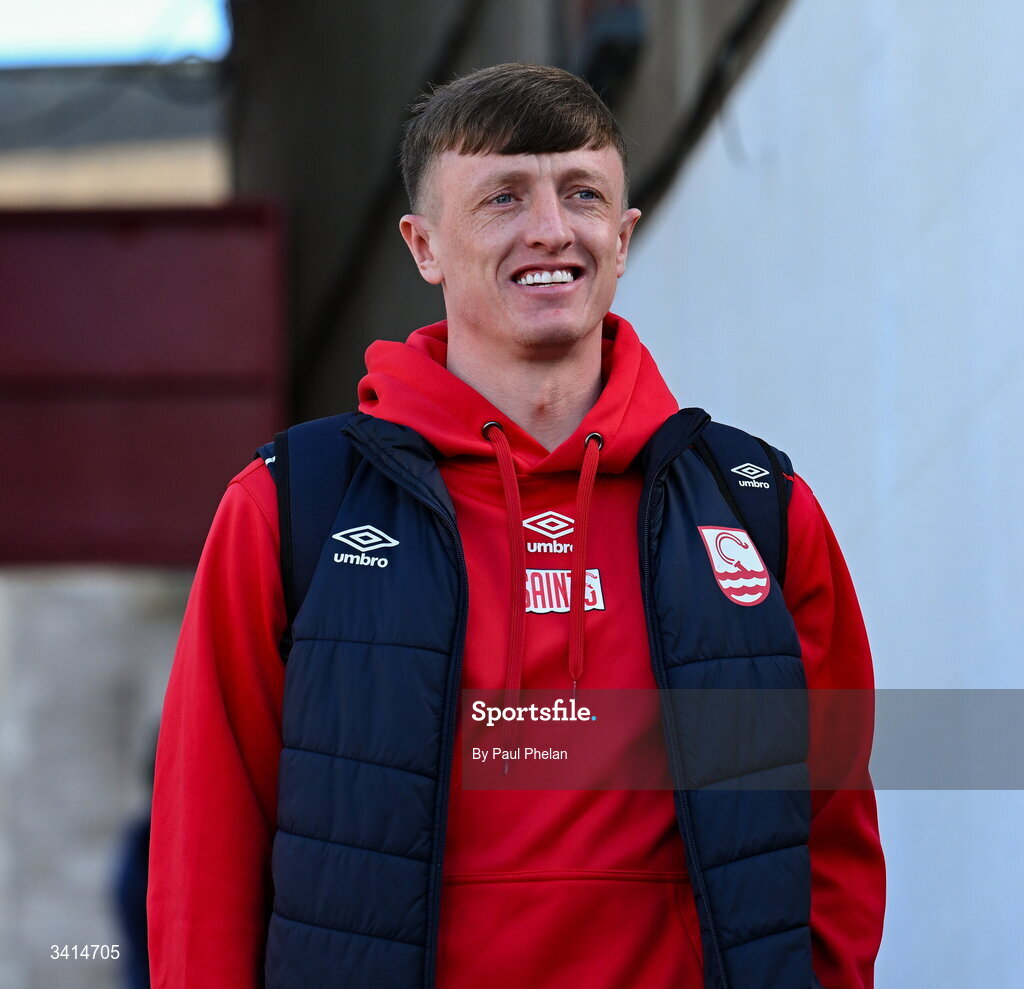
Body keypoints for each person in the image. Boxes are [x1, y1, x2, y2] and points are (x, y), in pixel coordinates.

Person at [148, 63, 884, 988]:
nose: (551, 229)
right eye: (503, 196)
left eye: (582, 194)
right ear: (425, 246)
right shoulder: (290, 508)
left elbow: (836, 834)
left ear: (621, 239)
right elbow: (203, 851)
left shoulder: (759, 505)